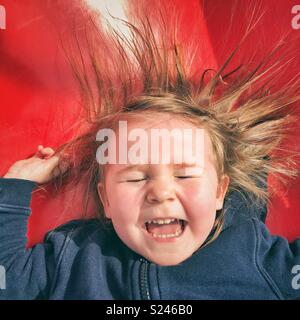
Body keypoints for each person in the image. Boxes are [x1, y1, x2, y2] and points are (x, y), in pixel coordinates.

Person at [0, 6, 300, 300]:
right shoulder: (76, 256)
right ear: (105, 200)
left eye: (183, 174)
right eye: (134, 178)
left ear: (220, 191)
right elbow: (7, 282)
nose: (160, 192)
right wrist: (15, 185)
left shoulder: (252, 254)